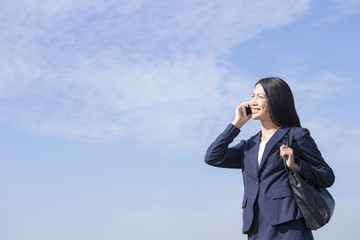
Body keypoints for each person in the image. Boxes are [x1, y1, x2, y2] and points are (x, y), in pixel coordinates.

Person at [204, 77, 335, 240]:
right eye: (252, 96)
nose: (253, 102)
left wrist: (297, 166)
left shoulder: (296, 136)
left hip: (289, 228)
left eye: (260, 97)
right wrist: (236, 124)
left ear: (276, 100)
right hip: (256, 228)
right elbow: (212, 157)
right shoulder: (248, 145)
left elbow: (327, 176)